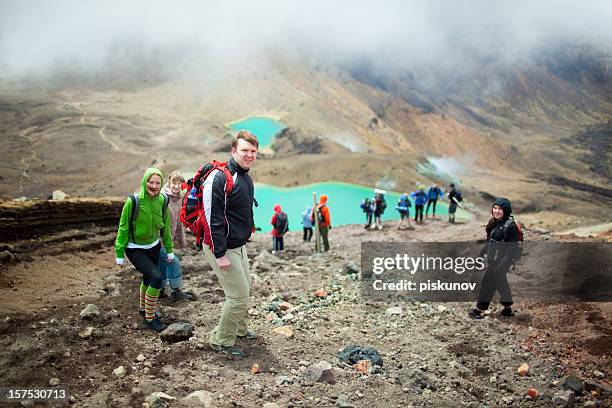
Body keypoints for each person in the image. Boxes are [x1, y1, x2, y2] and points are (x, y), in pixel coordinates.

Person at [201, 131, 258, 357]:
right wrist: (220, 253)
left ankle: (240, 330)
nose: (249, 155)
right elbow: (211, 216)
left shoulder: (245, 176)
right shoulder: (220, 177)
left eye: (253, 151)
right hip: (221, 247)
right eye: (244, 150)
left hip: (238, 245)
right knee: (238, 296)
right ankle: (221, 340)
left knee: (246, 289)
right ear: (233, 151)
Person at [115, 168, 174, 332]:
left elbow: (166, 228)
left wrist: (169, 249)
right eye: (151, 182)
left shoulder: (163, 200)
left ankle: (144, 308)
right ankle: (149, 318)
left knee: (148, 278)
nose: (154, 186)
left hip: (154, 246)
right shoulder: (133, 201)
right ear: (144, 182)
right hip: (135, 249)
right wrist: (119, 254)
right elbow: (123, 228)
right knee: (156, 277)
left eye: (157, 183)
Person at [470, 198, 519, 319]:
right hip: (493, 260)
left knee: (488, 283)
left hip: (501, 262)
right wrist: (481, 255)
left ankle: (480, 310)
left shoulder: (510, 226)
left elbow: (511, 249)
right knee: (501, 282)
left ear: (506, 210)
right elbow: (490, 242)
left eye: (500, 209)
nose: (496, 211)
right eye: (495, 208)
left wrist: (502, 265)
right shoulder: (494, 223)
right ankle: (508, 309)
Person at [158, 170, 193, 301]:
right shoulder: (162, 197)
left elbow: (178, 223)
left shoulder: (178, 198)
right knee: (174, 263)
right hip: (159, 239)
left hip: (168, 239)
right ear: (169, 182)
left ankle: (160, 290)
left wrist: (182, 242)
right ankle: (176, 291)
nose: (176, 186)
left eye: (179, 183)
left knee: (162, 264)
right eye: (174, 182)